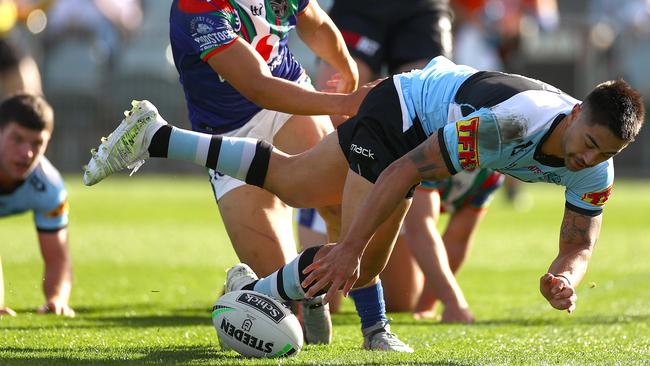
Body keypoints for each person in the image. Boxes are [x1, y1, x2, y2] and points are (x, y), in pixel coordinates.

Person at [82, 56, 644, 325]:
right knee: (365, 265)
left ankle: (158, 136)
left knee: (294, 182)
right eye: (588, 141)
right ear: (574, 113)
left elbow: (579, 242)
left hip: (416, 122)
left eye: (604, 154)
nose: (587, 159)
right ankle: (261, 289)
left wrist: (564, 276)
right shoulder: (511, 124)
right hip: (405, 112)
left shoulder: (594, 169)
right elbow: (406, 171)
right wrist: (348, 245)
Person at [131, 0, 411, 351]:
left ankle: (375, 326)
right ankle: (291, 294)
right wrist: (344, 103)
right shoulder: (197, 6)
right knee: (281, 294)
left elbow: (314, 23)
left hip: (289, 101)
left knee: (344, 205)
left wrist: (346, 66)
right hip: (230, 131)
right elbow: (257, 86)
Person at [296, 0, 458, 326]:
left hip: (422, 8)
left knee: (401, 300)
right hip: (360, 8)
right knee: (334, 112)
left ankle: (392, 227)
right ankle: (319, 225)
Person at [298, 169, 503, 323]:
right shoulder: (437, 144)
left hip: (392, 211)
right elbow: (420, 227)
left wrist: (426, 307)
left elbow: (458, 240)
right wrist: (453, 302)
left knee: (401, 304)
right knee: (323, 300)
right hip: (341, 199)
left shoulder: (494, 169)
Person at [0, 93, 74, 317]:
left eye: (37, 143)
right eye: (17, 139)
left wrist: (56, 298)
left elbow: (57, 256)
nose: (27, 153)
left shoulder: (49, 186)